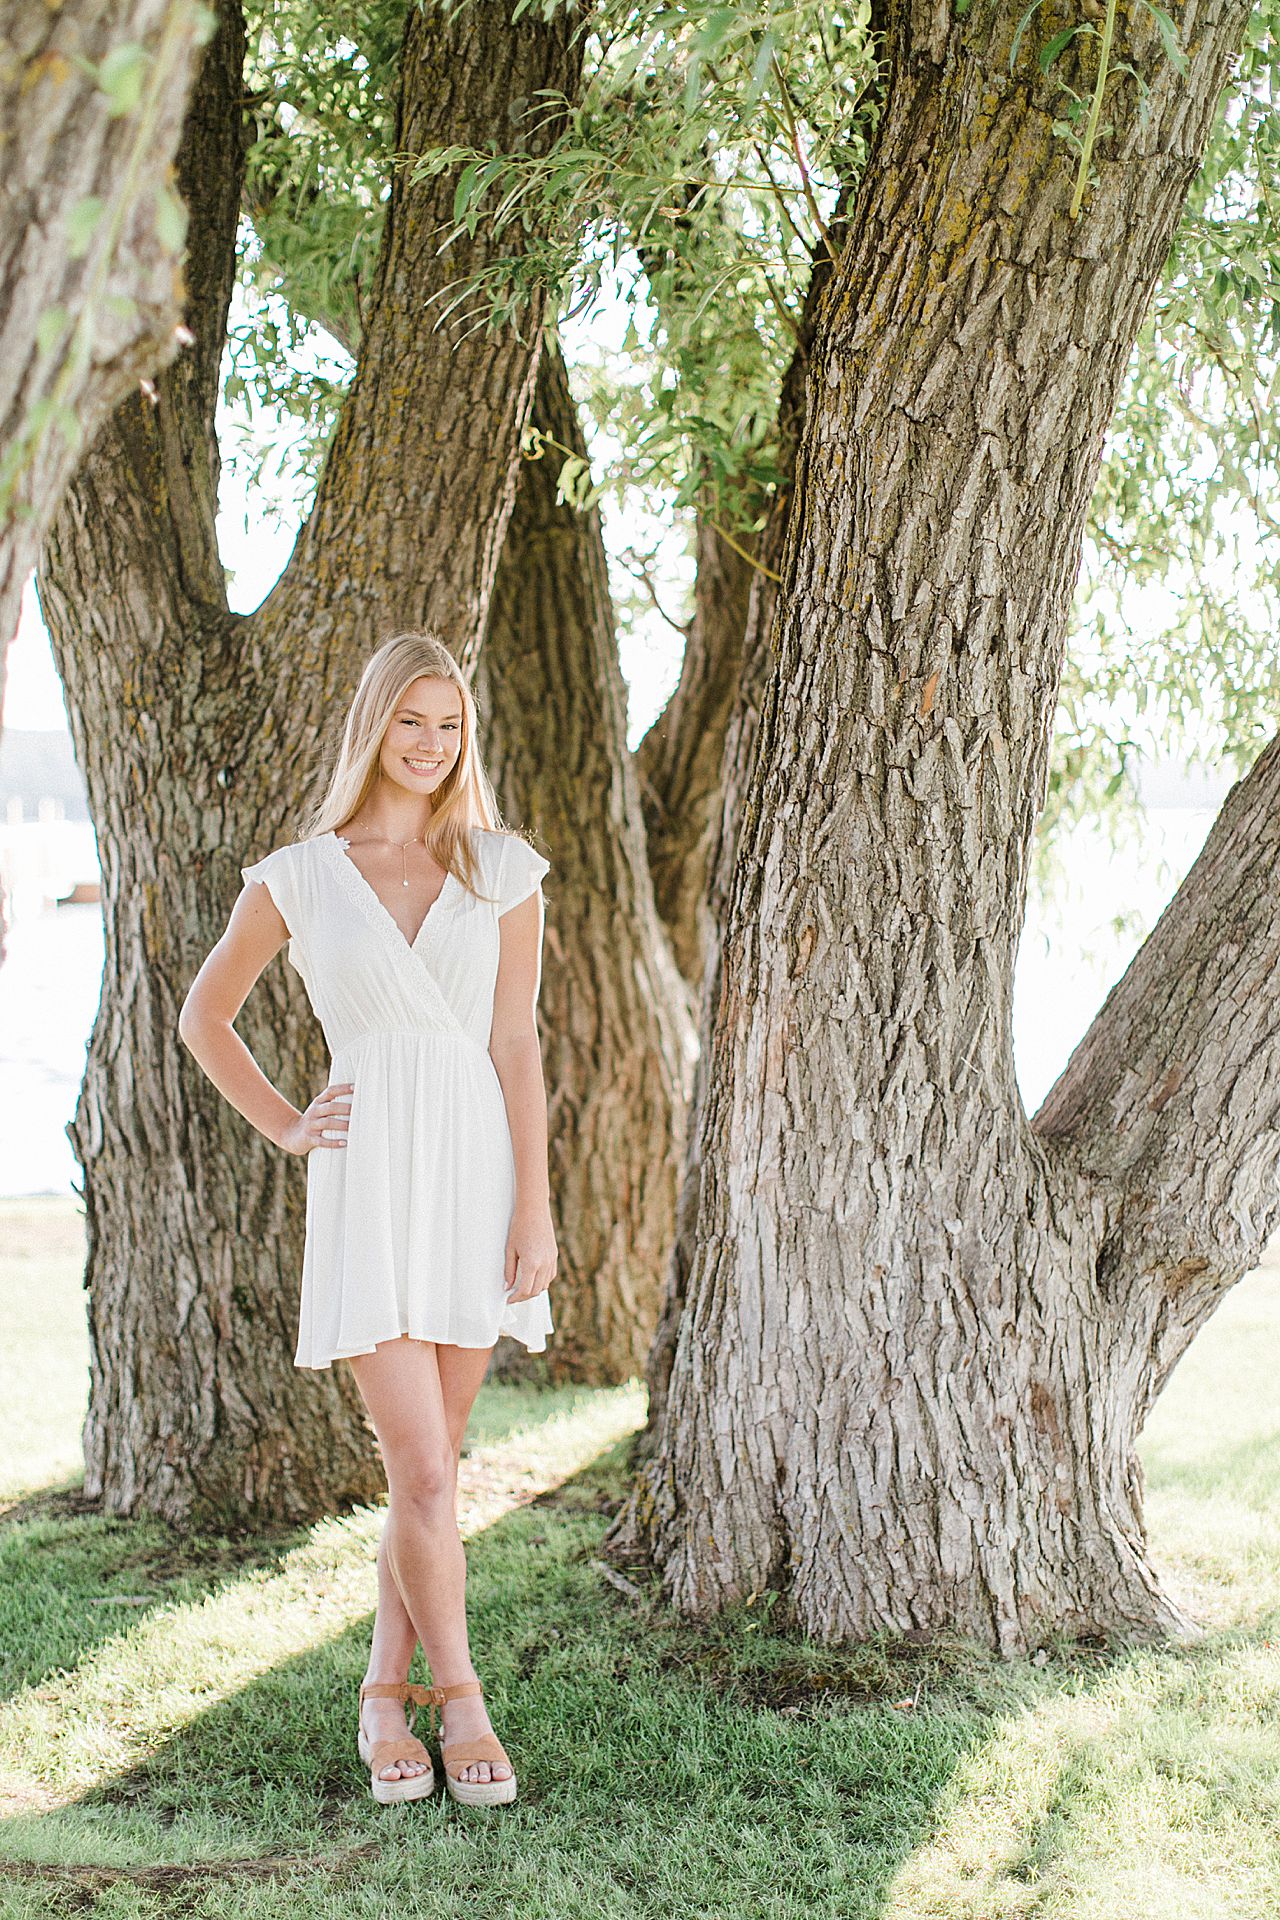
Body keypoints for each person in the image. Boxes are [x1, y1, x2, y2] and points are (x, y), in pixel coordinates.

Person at [178, 630, 557, 1809]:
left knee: (429, 1477)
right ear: (374, 727)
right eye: (412, 722)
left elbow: (513, 1046)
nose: (432, 745)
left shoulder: (501, 870)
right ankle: (464, 1705)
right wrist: (291, 1126)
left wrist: (535, 1208)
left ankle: (381, 1701)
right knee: (424, 1469)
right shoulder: (298, 873)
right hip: (366, 1180)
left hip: (472, 1177)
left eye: (450, 726)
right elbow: (206, 1017)